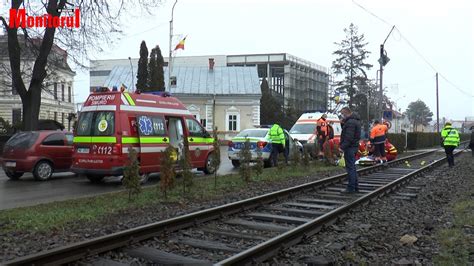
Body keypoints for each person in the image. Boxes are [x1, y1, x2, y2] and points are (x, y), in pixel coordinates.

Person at [339, 107, 361, 193]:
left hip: (350, 147)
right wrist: (343, 124)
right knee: (352, 167)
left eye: (342, 114)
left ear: (346, 113)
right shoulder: (355, 121)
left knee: (350, 168)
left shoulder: (350, 122)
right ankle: (355, 187)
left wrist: (342, 147)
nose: (342, 116)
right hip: (354, 146)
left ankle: (351, 188)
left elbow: (349, 137)